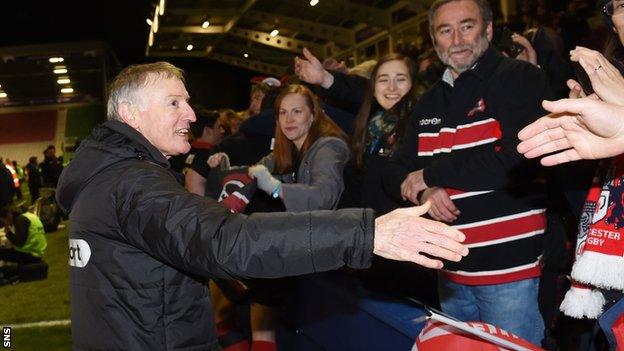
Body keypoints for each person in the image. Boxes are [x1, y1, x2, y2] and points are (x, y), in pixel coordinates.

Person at [55, 61, 468, 351]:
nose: (192, 113)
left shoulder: (110, 176)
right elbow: (228, 241)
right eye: (175, 103)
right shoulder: (131, 184)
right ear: (130, 113)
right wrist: (370, 232)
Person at [383, 0, 551, 344]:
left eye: (467, 25)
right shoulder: (428, 102)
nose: (457, 38)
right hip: (448, 273)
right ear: (434, 40)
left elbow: (520, 158)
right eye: (446, 30)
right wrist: (425, 192)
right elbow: (396, 169)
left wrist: (432, 175)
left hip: (508, 273)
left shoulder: (519, 77)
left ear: (488, 30)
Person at [295, 50, 418, 215]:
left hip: (403, 230)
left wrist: (325, 78)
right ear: (373, 88)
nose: (391, 87)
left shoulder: (420, 127)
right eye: (383, 80)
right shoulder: (370, 128)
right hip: (370, 229)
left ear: (412, 85)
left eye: (401, 79)